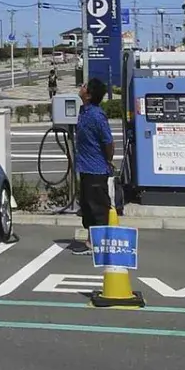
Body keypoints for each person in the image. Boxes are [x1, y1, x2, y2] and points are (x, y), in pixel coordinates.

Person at [71, 76, 115, 254]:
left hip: (96, 168)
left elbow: (108, 142)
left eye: (85, 86)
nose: (81, 87)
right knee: (88, 208)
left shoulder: (97, 115)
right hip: (85, 167)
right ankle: (91, 242)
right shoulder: (84, 111)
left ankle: (98, 245)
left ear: (89, 95)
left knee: (97, 208)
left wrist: (108, 160)